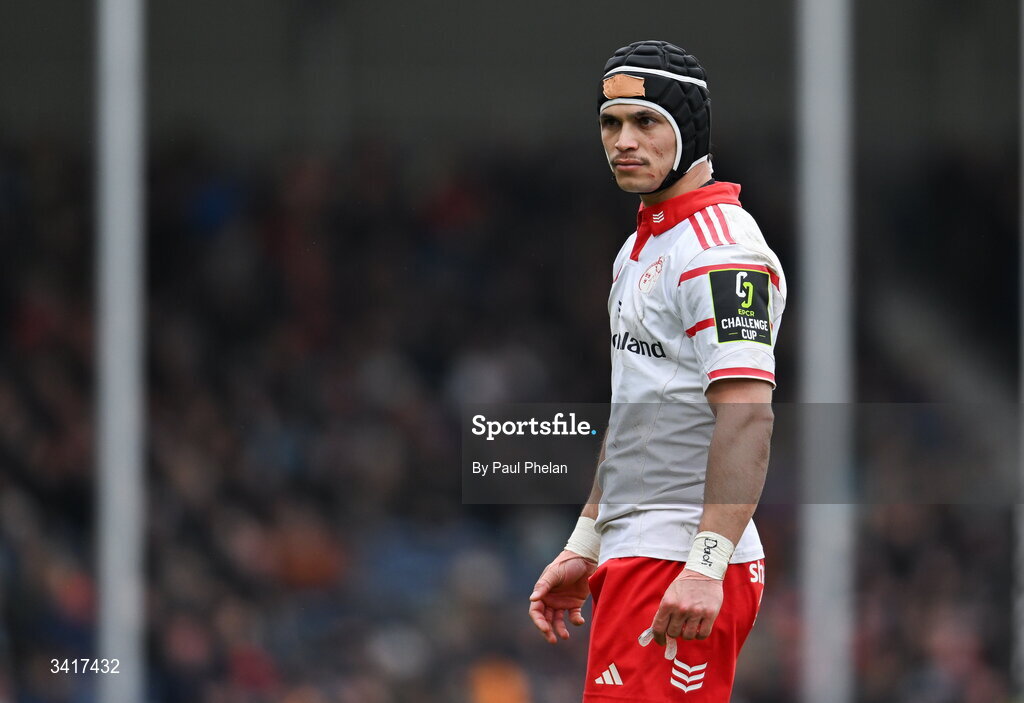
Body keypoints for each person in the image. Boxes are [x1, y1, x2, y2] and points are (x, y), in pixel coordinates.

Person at [528, 40, 787, 701]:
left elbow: (748, 414)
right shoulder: (644, 244)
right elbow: (638, 415)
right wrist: (587, 541)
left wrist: (706, 564)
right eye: (611, 123)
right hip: (638, 552)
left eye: (646, 122)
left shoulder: (720, 252)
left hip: (679, 560)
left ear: (688, 130)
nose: (623, 141)